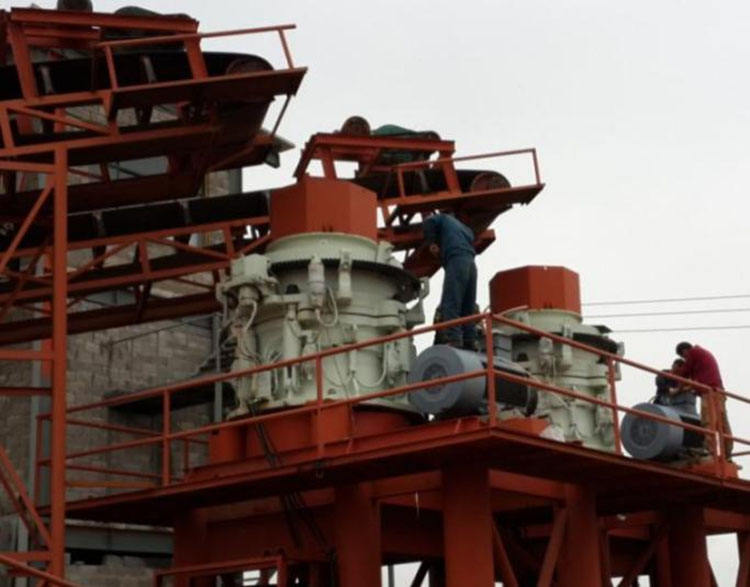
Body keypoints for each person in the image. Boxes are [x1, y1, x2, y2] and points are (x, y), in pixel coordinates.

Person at [422, 213, 477, 350]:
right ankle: (470, 341)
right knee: (467, 306)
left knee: (451, 302)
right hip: (471, 263)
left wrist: (432, 242)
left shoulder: (442, 218)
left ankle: (455, 339)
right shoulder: (466, 229)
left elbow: (429, 221)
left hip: (456, 259)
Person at [675, 342, 733, 459]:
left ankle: (709, 451)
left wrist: (676, 389)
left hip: (709, 393)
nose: (684, 359)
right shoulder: (701, 356)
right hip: (718, 393)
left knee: (708, 421)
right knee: (722, 425)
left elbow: (684, 373)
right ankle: (727, 454)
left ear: (685, 351)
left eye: (683, 356)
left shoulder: (693, 353)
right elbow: (697, 380)